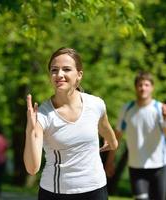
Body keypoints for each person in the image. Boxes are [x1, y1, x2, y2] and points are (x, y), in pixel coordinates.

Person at [24, 47, 118, 200]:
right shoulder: (43, 115)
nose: (59, 74)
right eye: (54, 70)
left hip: (95, 190)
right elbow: (32, 168)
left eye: (66, 69)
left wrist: (112, 143)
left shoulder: (96, 104)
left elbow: (110, 137)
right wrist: (30, 130)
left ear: (79, 75)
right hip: (56, 193)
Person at [105, 71, 166, 200]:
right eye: (140, 85)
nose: (143, 88)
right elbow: (117, 136)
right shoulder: (127, 109)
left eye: (146, 85)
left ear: (152, 87)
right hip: (136, 166)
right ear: (135, 87)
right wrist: (110, 161)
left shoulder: (161, 109)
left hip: (159, 166)